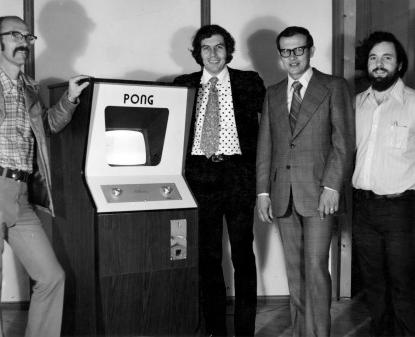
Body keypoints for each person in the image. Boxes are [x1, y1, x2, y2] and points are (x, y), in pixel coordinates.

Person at [256, 26, 354, 337]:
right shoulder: (272, 93)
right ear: (280, 56)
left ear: (310, 50)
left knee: (314, 269)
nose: (293, 57)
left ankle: (318, 334)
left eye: (299, 50)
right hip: (282, 195)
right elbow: (265, 147)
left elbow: (343, 142)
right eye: (286, 51)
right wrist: (263, 192)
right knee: (294, 272)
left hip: (319, 194)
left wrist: (332, 186)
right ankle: (301, 332)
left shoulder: (333, 86)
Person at [0, 16, 89, 337]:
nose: (24, 42)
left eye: (28, 36)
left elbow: (47, 125)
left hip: (22, 194)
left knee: (51, 277)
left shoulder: (30, 87)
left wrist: (70, 99)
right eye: (15, 35)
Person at [173, 24, 265, 337]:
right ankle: (215, 329)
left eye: (219, 47)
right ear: (197, 54)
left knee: (242, 254)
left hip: (238, 175)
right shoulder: (182, 85)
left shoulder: (249, 82)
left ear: (229, 50)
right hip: (199, 178)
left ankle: (244, 331)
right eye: (206, 48)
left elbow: (268, 131)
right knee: (207, 257)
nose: (213, 54)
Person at [352, 31, 415, 337]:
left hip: (401, 209)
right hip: (363, 208)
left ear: (399, 65)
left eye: (387, 57)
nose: (379, 64)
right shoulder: (355, 105)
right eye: (373, 57)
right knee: (373, 284)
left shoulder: (414, 104)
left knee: (404, 283)